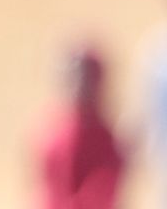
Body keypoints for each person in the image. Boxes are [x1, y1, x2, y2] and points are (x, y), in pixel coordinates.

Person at [34, 41, 126, 209]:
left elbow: (101, 197)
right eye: (73, 78)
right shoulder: (52, 130)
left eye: (86, 79)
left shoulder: (106, 142)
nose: (79, 87)